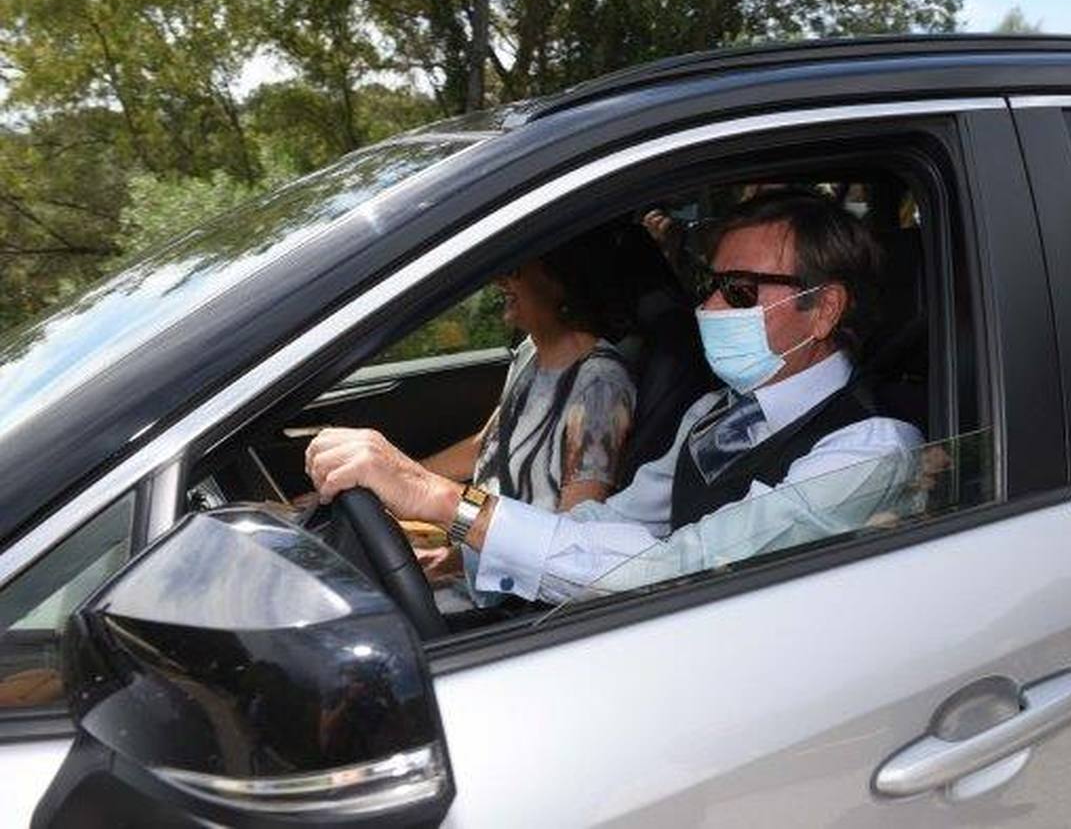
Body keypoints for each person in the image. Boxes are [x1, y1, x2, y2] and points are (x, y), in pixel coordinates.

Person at [306, 191, 925, 604]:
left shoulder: (866, 452)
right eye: (711, 285)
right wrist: (469, 549)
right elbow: (612, 525)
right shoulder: (716, 413)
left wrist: (439, 500)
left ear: (824, 309)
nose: (707, 307)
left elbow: (677, 567)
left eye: (738, 291)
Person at [411, 227, 637, 584]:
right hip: (478, 552)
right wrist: (407, 480)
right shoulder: (531, 353)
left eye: (515, 271)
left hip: (516, 584)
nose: (500, 281)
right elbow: (488, 451)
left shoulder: (599, 386)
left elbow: (570, 537)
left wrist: (456, 557)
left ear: (561, 280)